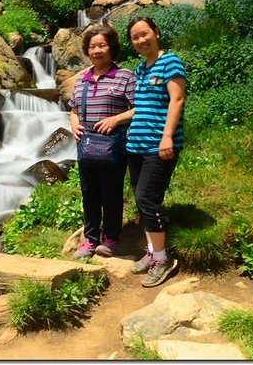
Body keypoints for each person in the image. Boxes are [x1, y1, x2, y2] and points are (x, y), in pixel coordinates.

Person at [125, 16, 186, 287]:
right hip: (136, 144)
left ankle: (163, 259)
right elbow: (143, 106)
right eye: (135, 37)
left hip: (157, 145)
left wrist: (167, 137)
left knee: (147, 199)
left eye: (144, 34)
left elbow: (177, 98)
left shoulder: (169, 61)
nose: (141, 40)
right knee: (143, 200)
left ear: (156, 33)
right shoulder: (140, 68)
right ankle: (152, 252)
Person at [68, 25, 135, 259]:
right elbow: (73, 109)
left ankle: (111, 238)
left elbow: (139, 108)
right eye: (92, 46)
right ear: (87, 51)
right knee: (89, 193)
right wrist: (73, 122)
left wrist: (116, 119)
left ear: (112, 48)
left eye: (102, 45)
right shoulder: (81, 79)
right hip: (86, 145)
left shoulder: (125, 76)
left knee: (111, 193)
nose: (97, 50)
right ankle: (90, 239)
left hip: (113, 146)